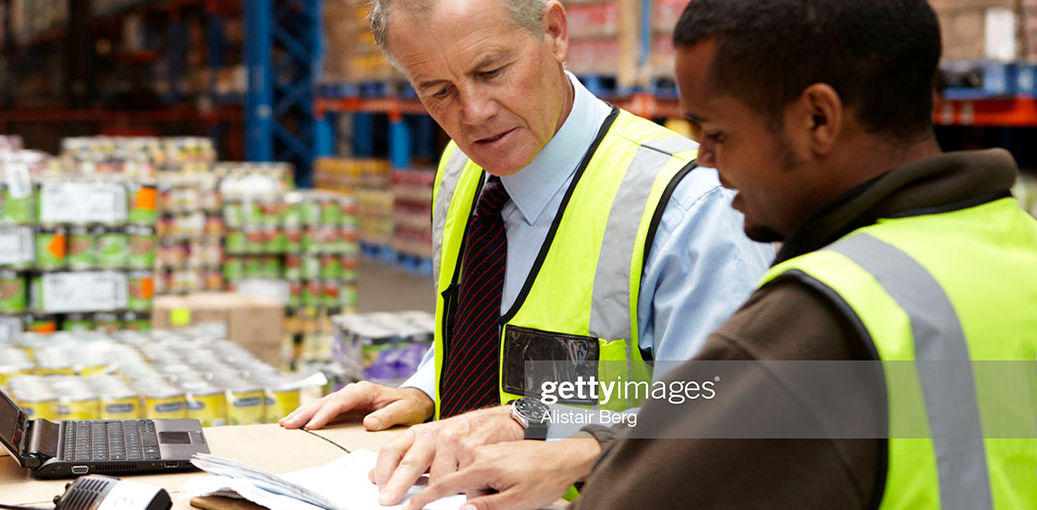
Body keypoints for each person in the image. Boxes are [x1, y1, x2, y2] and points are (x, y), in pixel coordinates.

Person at [405, 0, 1037, 509]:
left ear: (819, 119)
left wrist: (571, 444)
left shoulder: (815, 314)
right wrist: (511, 412)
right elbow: (694, 386)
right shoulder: (1009, 248)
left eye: (717, 132)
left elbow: (693, 414)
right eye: (436, 91)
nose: (704, 158)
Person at [280, 0, 773, 504]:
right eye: (438, 91)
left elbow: (725, 405)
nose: (474, 113)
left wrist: (557, 440)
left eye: (491, 71)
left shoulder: (690, 206)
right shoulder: (463, 168)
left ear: (555, 33)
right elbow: (525, 342)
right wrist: (427, 390)